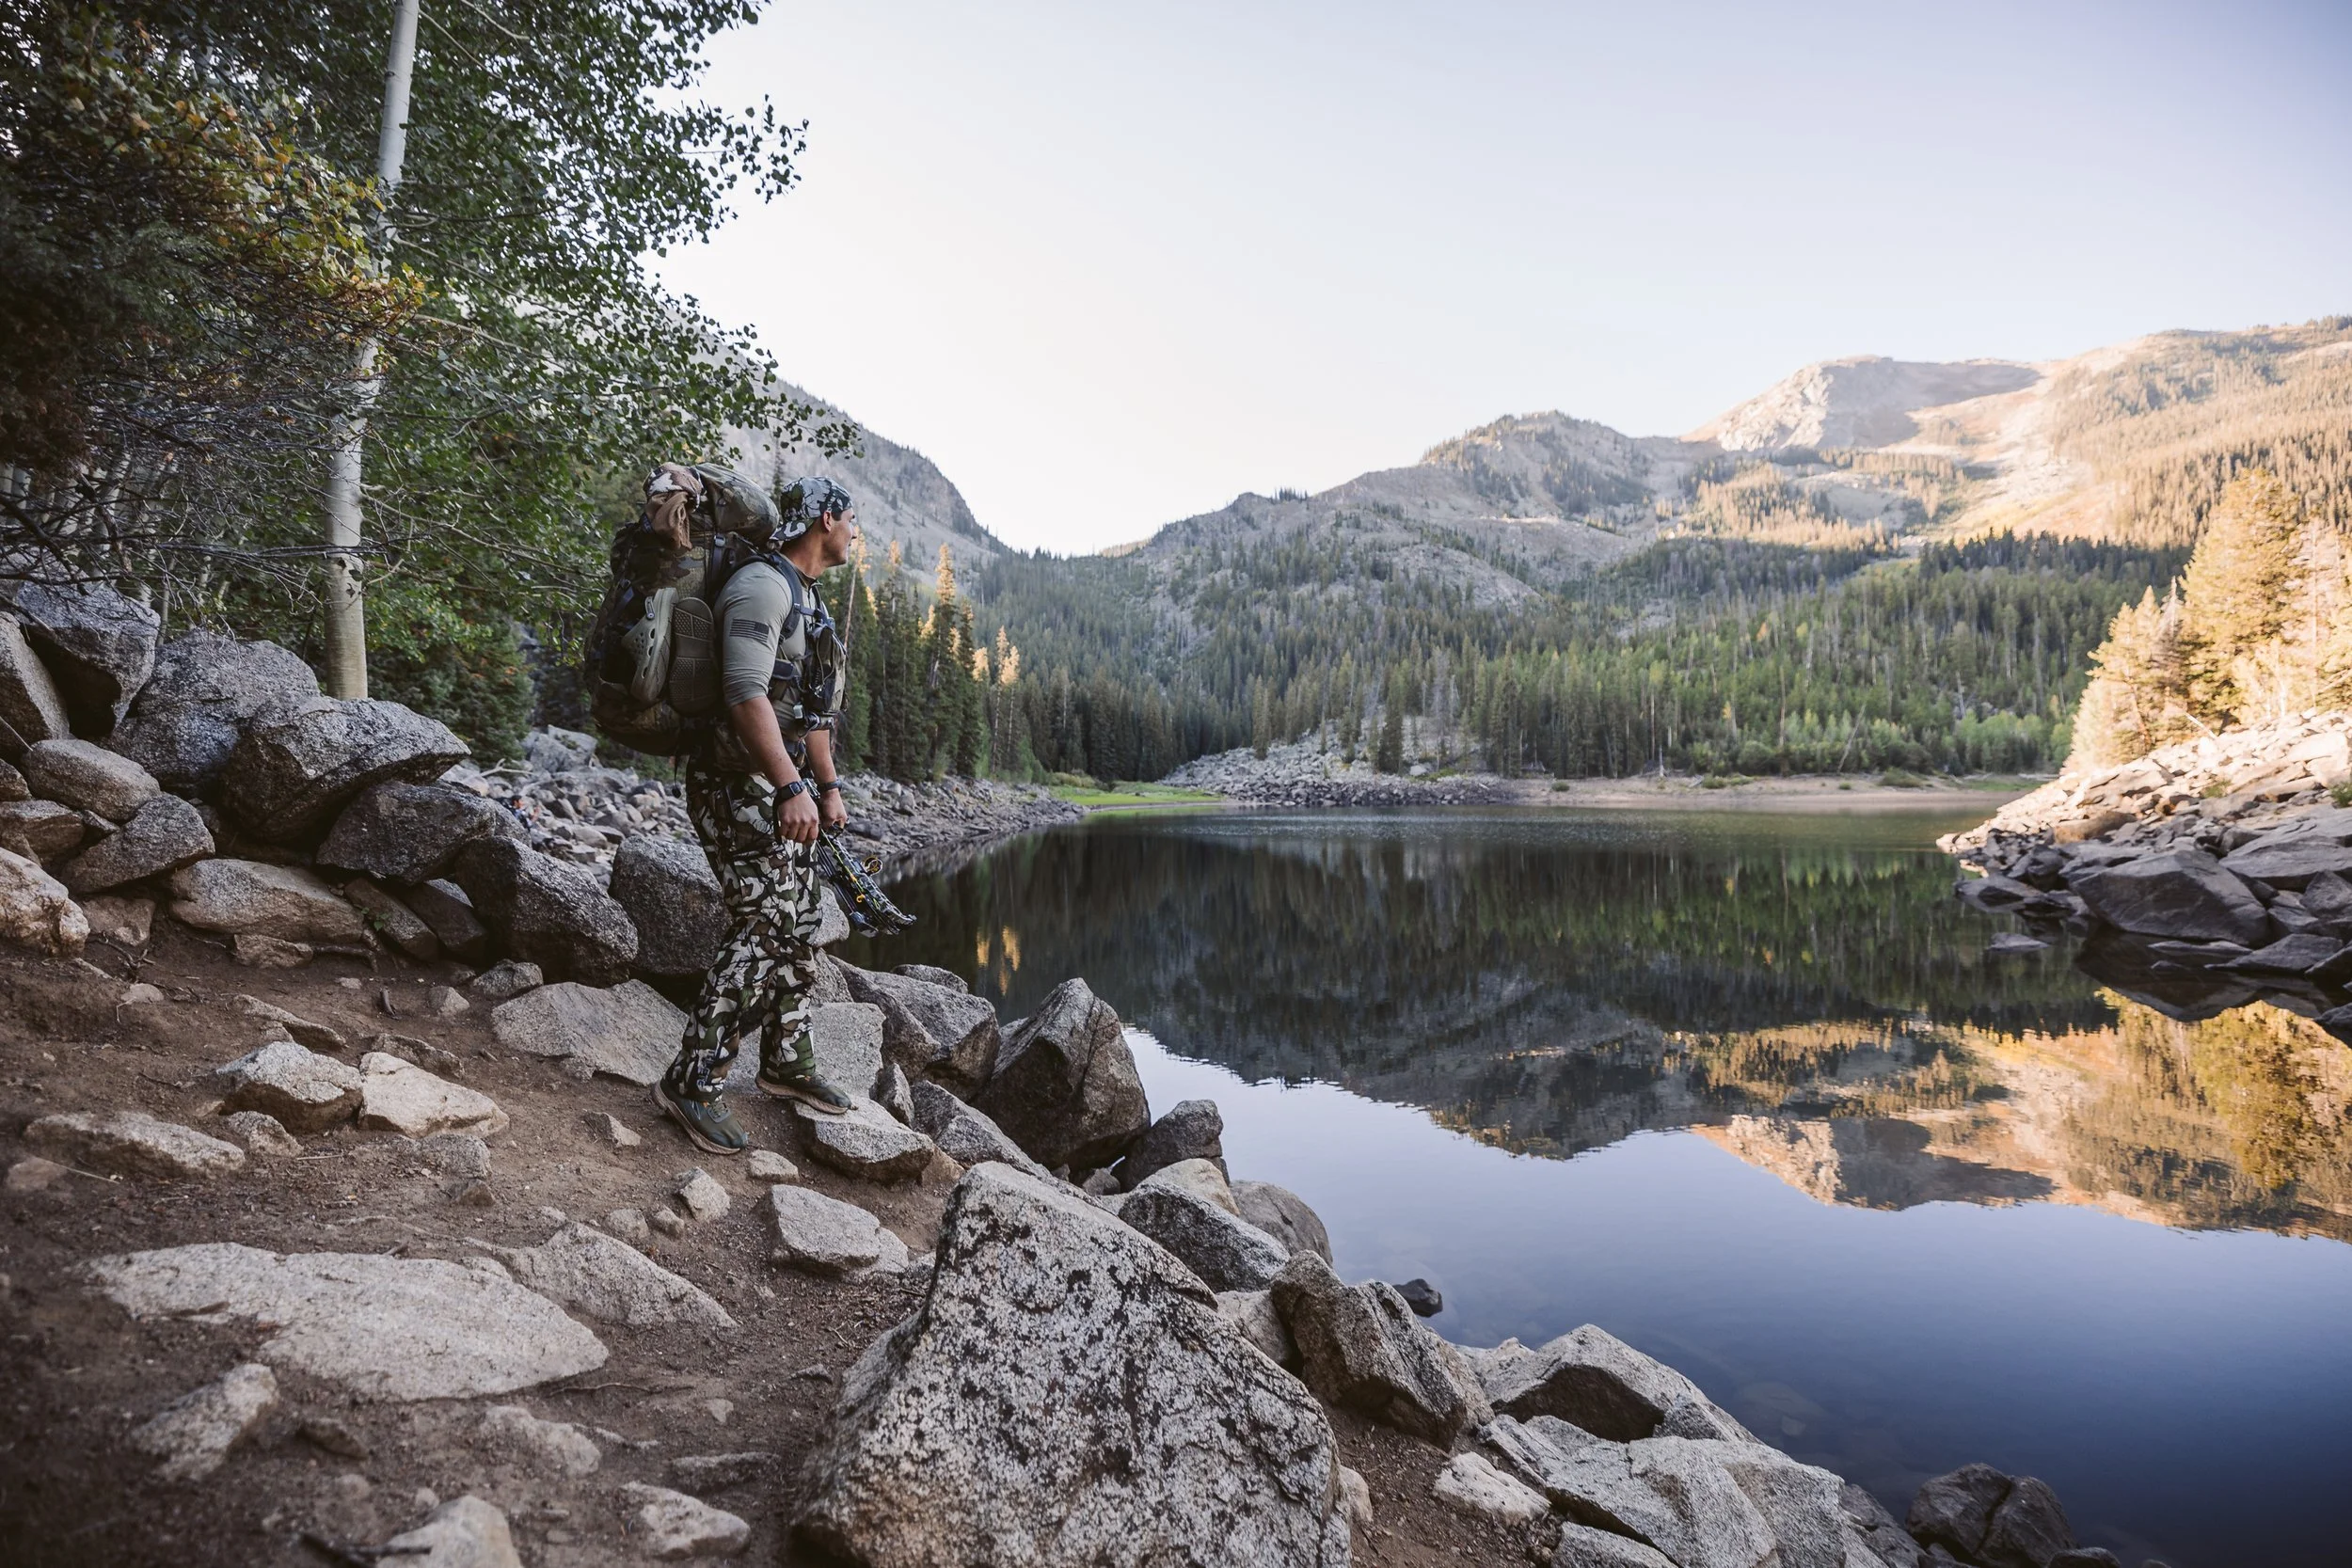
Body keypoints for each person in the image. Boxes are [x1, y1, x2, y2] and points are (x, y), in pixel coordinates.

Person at [655, 475, 861, 1155]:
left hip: (780, 788)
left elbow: (813, 713)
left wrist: (826, 787)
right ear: (824, 518)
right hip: (733, 785)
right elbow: (745, 694)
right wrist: (787, 787)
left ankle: (785, 1061)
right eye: (850, 519)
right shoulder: (762, 587)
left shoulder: (810, 600)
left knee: (801, 917)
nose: (854, 532)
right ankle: (691, 1079)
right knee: (768, 918)